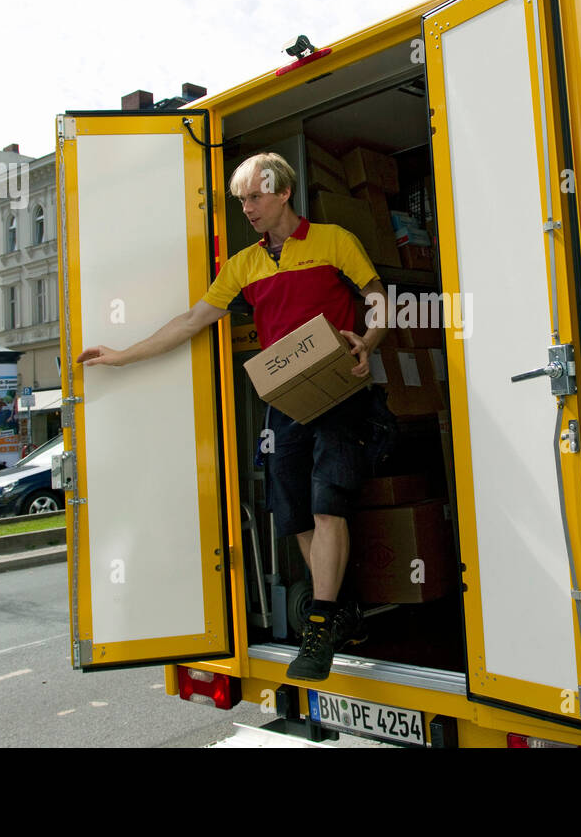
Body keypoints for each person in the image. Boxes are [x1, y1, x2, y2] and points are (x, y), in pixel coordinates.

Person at [77, 152, 388, 682]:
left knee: (327, 502)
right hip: (285, 400)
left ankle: (319, 625)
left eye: (255, 196)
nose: (246, 208)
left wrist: (369, 339)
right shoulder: (243, 265)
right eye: (241, 199)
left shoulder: (334, 240)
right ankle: (337, 612)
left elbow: (377, 296)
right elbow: (193, 320)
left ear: (284, 192)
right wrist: (121, 355)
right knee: (295, 516)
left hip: (341, 389)